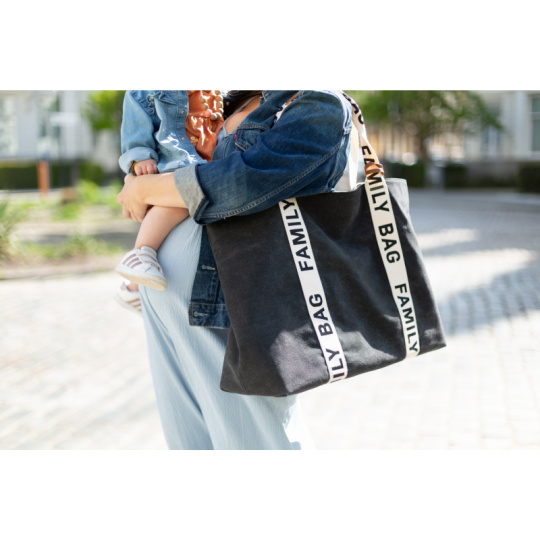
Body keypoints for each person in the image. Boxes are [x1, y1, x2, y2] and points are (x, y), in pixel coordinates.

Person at [117, 90, 354, 450]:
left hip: (233, 312)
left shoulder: (319, 102)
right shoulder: (235, 98)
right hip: (169, 309)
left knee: (258, 444)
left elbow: (241, 183)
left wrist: (146, 188)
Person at [115, 90, 224, 314]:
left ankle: (133, 287)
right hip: (175, 165)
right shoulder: (148, 90)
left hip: (208, 166)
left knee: (184, 205)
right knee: (173, 205)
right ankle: (140, 253)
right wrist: (140, 158)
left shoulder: (217, 91)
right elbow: (135, 125)